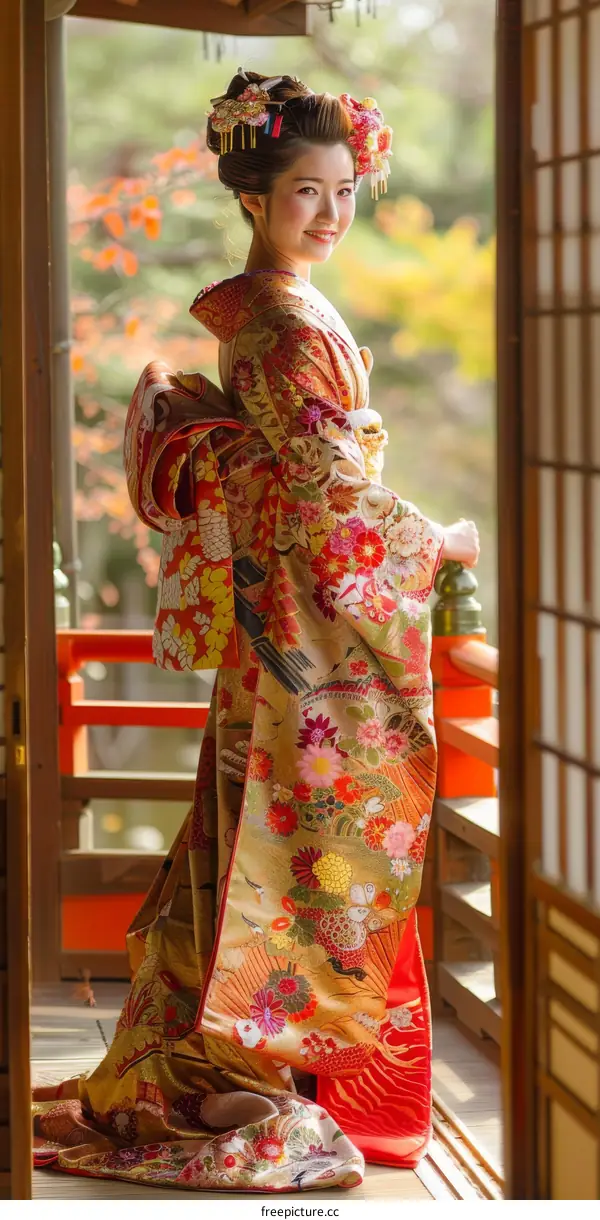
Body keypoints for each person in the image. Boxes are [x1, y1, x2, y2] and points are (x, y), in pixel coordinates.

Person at [33, 70, 479, 1193]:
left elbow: (310, 478)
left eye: (343, 191)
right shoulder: (281, 322)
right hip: (302, 644)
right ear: (255, 199)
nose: (330, 214)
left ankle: (200, 1054)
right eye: (305, 194)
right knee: (277, 850)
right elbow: (331, 493)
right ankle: (228, 1067)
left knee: (243, 842)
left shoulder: (287, 311)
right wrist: (442, 543)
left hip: (284, 632)